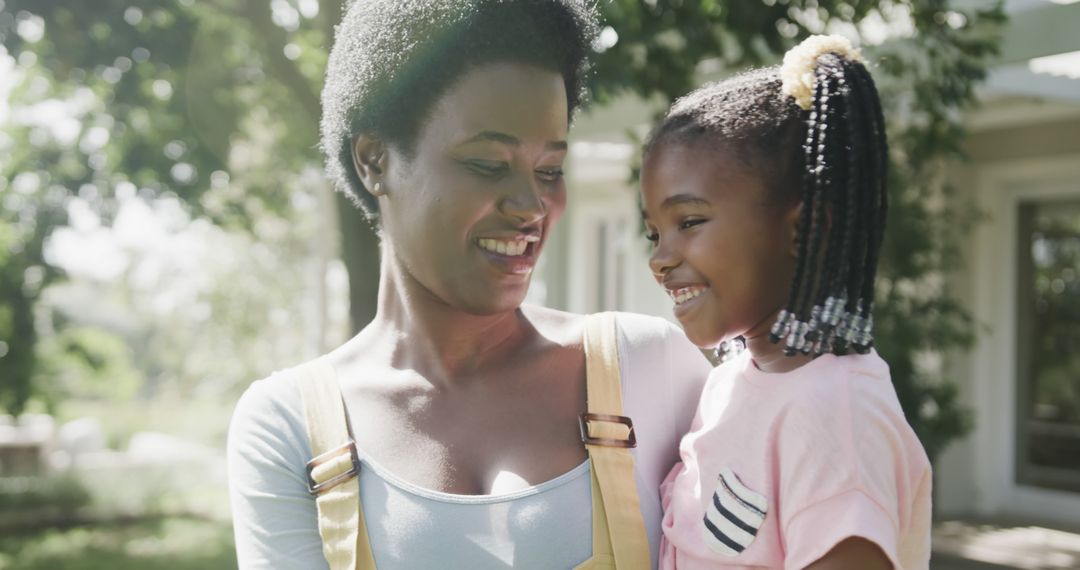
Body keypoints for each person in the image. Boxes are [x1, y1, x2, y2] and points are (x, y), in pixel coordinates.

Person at [226, 1, 711, 569]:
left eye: (549, 170)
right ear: (374, 160)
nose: (532, 206)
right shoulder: (289, 428)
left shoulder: (651, 368)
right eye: (487, 163)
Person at [639, 35, 932, 569]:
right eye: (654, 232)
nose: (660, 258)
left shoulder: (838, 418)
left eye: (689, 222)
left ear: (802, 231)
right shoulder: (731, 379)